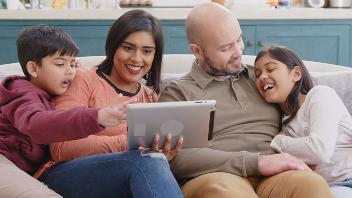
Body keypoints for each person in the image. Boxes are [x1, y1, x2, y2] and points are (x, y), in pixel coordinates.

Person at [159, 2, 333, 198]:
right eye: (226, 48)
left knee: (311, 184)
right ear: (197, 51)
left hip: (274, 175)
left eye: (239, 39)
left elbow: (305, 109)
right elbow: (174, 158)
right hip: (216, 177)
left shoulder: (263, 78)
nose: (238, 51)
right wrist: (256, 162)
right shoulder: (179, 93)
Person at [37, 10, 183, 198]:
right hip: (63, 175)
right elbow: (61, 147)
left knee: (151, 160)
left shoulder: (150, 97)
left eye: (147, 51)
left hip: (120, 179)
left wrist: (163, 155)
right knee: (145, 161)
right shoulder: (84, 78)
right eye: (128, 48)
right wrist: (127, 144)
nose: (137, 59)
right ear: (113, 46)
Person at [0, 25, 133, 198]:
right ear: (33, 69)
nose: (70, 71)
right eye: (60, 64)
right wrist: (97, 117)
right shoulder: (21, 91)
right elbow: (36, 124)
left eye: (72, 64)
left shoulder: (49, 92)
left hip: (24, 172)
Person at [254, 45, 352, 198]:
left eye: (271, 69)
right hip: (316, 188)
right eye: (257, 74)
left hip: (346, 182)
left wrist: (278, 141)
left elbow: (319, 150)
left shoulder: (320, 95)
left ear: (296, 74)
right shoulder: (284, 124)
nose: (262, 77)